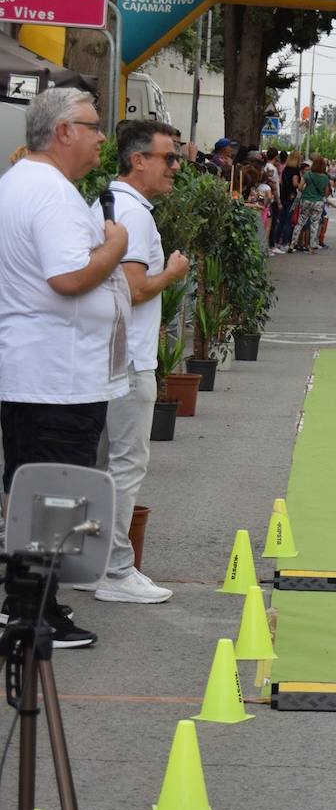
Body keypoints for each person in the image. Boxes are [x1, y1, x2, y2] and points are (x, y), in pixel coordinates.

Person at [0, 88, 127, 648]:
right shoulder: (48, 192)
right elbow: (68, 279)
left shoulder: (30, 183)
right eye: (93, 125)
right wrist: (114, 248)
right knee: (53, 494)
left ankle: (29, 603)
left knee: (34, 490)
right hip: (56, 377)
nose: (103, 136)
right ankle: (32, 610)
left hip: (46, 370)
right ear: (62, 132)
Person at [82, 120, 191, 603]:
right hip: (126, 358)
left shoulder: (110, 203)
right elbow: (134, 288)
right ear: (137, 159)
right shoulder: (134, 214)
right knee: (126, 464)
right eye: (168, 157)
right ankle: (115, 570)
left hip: (102, 354)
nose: (175, 167)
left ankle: (92, 564)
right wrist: (172, 271)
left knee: (101, 464)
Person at [291, 153, 331, 252]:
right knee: (315, 224)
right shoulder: (325, 177)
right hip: (318, 202)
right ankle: (312, 246)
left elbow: (300, 187)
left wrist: (306, 192)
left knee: (300, 222)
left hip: (306, 200)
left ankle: (292, 244)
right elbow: (326, 193)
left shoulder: (308, 174)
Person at [273, 150, 302, 254]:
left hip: (284, 195)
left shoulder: (285, 169)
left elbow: (281, 182)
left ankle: (276, 242)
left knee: (281, 220)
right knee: (288, 220)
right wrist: (301, 185)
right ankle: (285, 243)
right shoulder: (295, 170)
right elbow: (295, 183)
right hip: (291, 197)